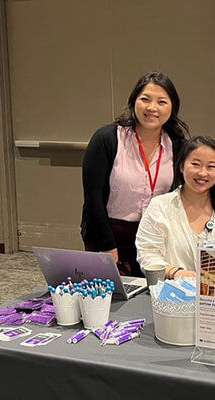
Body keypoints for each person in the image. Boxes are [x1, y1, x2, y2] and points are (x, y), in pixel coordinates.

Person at [81, 72, 189, 277]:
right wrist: (107, 246)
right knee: (112, 302)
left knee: (150, 300)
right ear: (134, 102)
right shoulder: (108, 138)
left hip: (154, 239)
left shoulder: (176, 144)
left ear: (172, 107)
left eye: (162, 102)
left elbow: (188, 187)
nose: (152, 108)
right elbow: (93, 199)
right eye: (145, 99)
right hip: (109, 236)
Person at [135, 136, 215, 280]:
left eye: (211, 167)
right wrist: (175, 272)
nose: (202, 173)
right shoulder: (160, 206)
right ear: (182, 166)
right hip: (171, 293)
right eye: (196, 164)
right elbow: (148, 255)